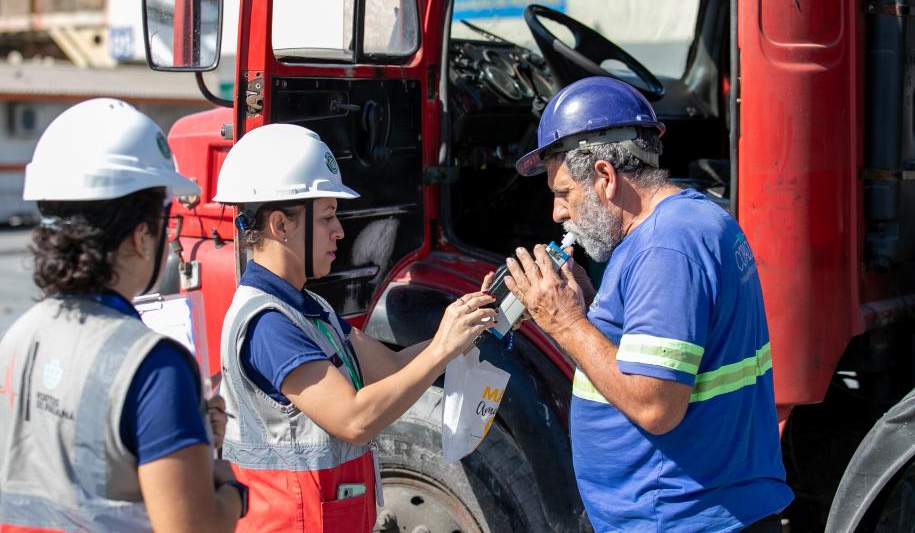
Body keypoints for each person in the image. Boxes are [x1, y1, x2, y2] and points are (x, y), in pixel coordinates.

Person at [504, 77, 794, 532]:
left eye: (563, 193)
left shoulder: (665, 248)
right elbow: (651, 351)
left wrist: (565, 322)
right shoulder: (690, 220)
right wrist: (587, 307)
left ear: (604, 177)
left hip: (679, 518)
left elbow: (655, 405)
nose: (557, 213)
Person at [212, 123, 496, 532]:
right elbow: (354, 419)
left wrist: (470, 325)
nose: (340, 231)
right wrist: (440, 349)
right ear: (280, 225)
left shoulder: (312, 310)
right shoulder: (268, 325)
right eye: (327, 217)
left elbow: (393, 369)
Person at [0, 98, 246, 532]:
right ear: (142, 235)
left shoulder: (19, 336)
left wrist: (182, 433)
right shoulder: (155, 366)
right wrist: (227, 487)